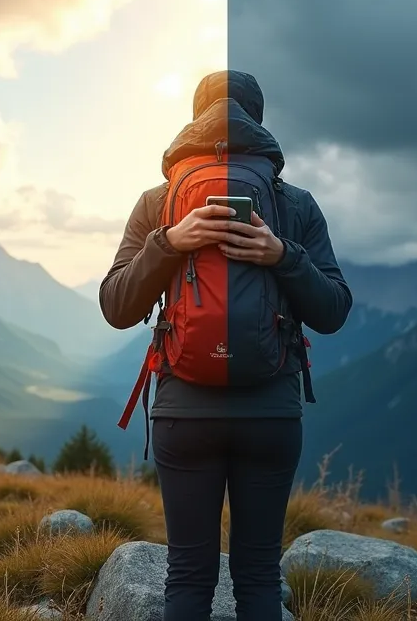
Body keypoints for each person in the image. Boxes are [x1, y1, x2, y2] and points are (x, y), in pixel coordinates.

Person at [99, 70, 352, 619]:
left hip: (184, 413)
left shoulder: (159, 202)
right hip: (271, 414)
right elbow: (332, 311)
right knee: (259, 575)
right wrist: (281, 254)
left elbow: (116, 306)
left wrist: (168, 241)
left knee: (188, 576)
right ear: (258, 121)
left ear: (195, 119)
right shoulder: (295, 205)